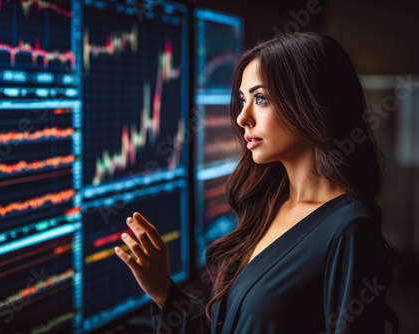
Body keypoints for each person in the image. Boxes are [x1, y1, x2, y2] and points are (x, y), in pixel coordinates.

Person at [114, 32, 401, 334]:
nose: (242, 117)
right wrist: (164, 292)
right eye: (242, 100)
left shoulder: (350, 230)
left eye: (260, 98)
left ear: (311, 101)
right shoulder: (269, 205)